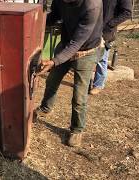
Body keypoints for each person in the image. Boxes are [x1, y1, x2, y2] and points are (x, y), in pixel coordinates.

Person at [35, 0, 103, 147]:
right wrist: (35, 21)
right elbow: (54, 16)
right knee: (52, 80)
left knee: (79, 95)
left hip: (86, 51)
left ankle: (77, 129)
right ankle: (45, 108)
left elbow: (76, 43)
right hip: (65, 44)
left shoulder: (92, 6)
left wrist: (54, 61)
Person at [90, 0, 132, 95]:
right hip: (91, 27)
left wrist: (110, 24)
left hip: (106, 31)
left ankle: (98, 84)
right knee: (88, 57)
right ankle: (85, 83)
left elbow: (127, 12)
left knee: (101, 58)